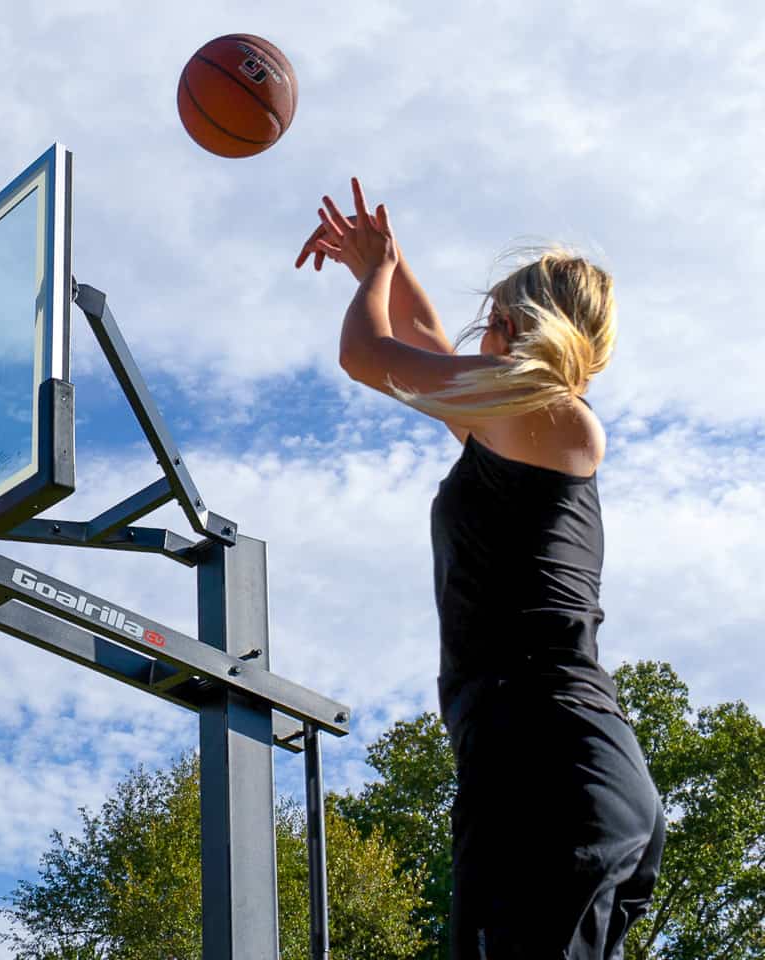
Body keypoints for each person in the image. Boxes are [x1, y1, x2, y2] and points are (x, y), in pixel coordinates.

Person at [295, 179, 666, 959]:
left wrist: (372, 282)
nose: (478, 337)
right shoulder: (515, 425)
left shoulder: (555, 415)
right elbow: (426, 347)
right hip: (539, 761)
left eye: (491, 321)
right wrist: (391, 261)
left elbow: (366, 357)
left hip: (548, 759)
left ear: (516, 326)